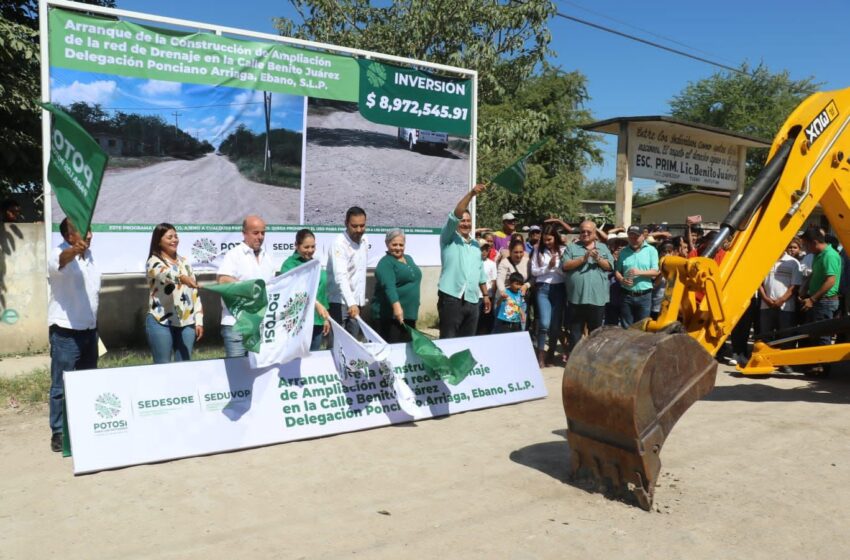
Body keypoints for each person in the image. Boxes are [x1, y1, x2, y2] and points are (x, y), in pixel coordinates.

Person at [48, 218, 101, 452]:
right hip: (65, 332)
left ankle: (84, 424)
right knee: (61, 385)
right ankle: (58, 431)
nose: (89, 235)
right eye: (83, 231)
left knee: (88, 382)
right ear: (69, 236)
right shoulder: (58, 253)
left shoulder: (90, 257)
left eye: (89, 230)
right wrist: (72, 251)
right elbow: (60, 261)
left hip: (90, 330)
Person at [217, 215, 278, 357]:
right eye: (255, 233)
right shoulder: (234, 255)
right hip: (236, 324)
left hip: (260, 325)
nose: (260, 237)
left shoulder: (268, 258)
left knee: (258, 373)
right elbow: (223, 280)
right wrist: (251, 290)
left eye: (263, 233)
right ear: (244, 233)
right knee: (237, 373)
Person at [437, 184, 491, 339]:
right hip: (451, 298)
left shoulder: (475, 245)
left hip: (472, 300)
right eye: (462, 221)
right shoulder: (448, 238)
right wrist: (472, 193)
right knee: (449, 340)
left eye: (468, 221)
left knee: (467, 342)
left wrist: (486, 295)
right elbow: (456, 214)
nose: (465, 223)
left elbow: (480, 273)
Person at [145, 223, 203, 363]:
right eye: (169, 237)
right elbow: (165, 274)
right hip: (161, 321)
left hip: (187, 323)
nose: (174, 240)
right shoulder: (153, 262)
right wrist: (182, 278)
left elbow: (195, 294)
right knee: (162, 368)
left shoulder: (185, 262)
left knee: (184, 368)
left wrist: (199, 321)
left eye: (176, 236)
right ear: (158, 241)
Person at [561, 220, 613, 354]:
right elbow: (565, 266)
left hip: (597, 298)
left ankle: (592, 358)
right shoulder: (572, 248)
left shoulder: (603, 248)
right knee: (575, 332)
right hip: (576, 298)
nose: (585, 234)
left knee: (595, 333)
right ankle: (574, 359)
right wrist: (583, 259)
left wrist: (598, 259)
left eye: (588, 231)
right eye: (582, 231)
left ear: (595, 233)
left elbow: (610, 267)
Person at [799, 228, 842, 373]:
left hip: (825, 301)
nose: (805, 248)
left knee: (822, 336)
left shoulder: (829, 255)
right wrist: (805, 288)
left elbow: (830, 280)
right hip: (818, 300)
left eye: (806, 245)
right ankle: (815, 364)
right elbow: (816, 274)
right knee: (814, 335)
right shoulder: (819, 254)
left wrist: (812, 298)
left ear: (815, 242)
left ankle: (822, 367)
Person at [280, 229, 330, 351]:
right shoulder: (289, 265)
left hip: (317, 321)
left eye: (313, 246)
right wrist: (316, 304)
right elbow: (295, 290)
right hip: (298, 323)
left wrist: (325, 318)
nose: (310, 250)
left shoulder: (316, 263)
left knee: (313, 361)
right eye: (306, 247)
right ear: (296, 245)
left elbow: (321, 291)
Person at [371, 229, 422, 343]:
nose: (398, 248)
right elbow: (389, 287)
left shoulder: (408, 258)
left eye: (401, 244)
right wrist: (397, 307)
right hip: (391, 317)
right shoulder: (385, 263)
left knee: (407, 351)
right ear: (387, 244)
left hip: (408, 316)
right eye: (394, 244)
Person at [327, 206, 368, 338]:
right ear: (346, 224)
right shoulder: (339, 244)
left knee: (353, 343)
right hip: (340, 303)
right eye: (354, 226)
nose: (359, 230)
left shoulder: (364, 240)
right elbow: (341, 277)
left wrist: (358, 302)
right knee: (338, 344)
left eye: (362, 226)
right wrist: (351, 303)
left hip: (356, 302)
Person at [530, 223, 566, 366]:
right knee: (544, 323)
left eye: (549, 239)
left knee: (555, 325)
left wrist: (556, 268)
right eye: (544, 239)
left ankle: (551, 353)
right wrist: (548, 267)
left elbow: (565, 273)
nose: (547, 242)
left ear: (555, 238)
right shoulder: (537, 250)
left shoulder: (563, 250)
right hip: (543, 288)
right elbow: (534, 271)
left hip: (559, 288)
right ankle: (541, 354)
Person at [615, 225, 660, 328]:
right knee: (626, 327)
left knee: (642, 327)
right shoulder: (623, 252)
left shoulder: (651, 250)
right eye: (631, 236)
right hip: (626, 295)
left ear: (643, 236)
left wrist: (639, 272)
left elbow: (655, 272)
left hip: (644, 296)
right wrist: (622, 280)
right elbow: (617, 271)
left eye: (636, 236)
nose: (633, 239)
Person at [758, 243, 802, 337]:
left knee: (785, 338)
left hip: (786, 307)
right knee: (766, 337)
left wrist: (781, 300)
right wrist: (766, 299)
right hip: (766, 306)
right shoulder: (764, 261)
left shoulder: (793, 262)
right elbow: (758, 283)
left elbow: (795, 285)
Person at [477, 241, 498, 334]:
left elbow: (493, 280)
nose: (484, 252)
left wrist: (491, 296)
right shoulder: (473, 263)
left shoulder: (492, 264)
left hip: (487, 296)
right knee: (476, 321)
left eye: (486, 250)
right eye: (481, 249)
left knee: (485, 320)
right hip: (475, 296)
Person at [651, 242, 675, 320]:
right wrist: (662, 271)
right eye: (665, 252)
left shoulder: (676, 266)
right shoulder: (655, 267)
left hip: (671, 306)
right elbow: (653, 286)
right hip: (656, 305)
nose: (667, 254)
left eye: (669, 252)